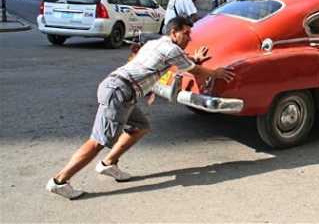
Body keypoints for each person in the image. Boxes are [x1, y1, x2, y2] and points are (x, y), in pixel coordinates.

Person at [46, 17, 235, 199]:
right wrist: (216, 73)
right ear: (174, 32)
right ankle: (60, 181)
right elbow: (193, 69)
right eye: (186, 33)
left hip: (120, 90)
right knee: (97, 142)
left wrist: (194, 58)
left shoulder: (156, 43)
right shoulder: (171, 49)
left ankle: (108, 163)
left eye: (190, 34)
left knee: (140, 127)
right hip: (120, 92)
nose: (189, 38)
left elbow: (178, 61)